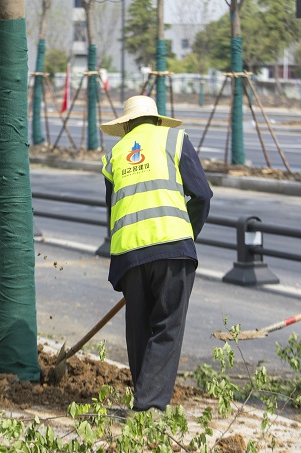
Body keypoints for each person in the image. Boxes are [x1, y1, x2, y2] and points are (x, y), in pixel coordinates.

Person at [99, 95, 212, 413]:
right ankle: (148, 406)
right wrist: (188, 232)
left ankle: (143, 396)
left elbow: (113, 211)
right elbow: (202, 194)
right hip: (172, 248)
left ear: (125, 125)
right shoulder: (174, 139)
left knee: (138, 330)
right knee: (167, 326)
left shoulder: (115, 155)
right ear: (158, 120)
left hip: (130, 254)